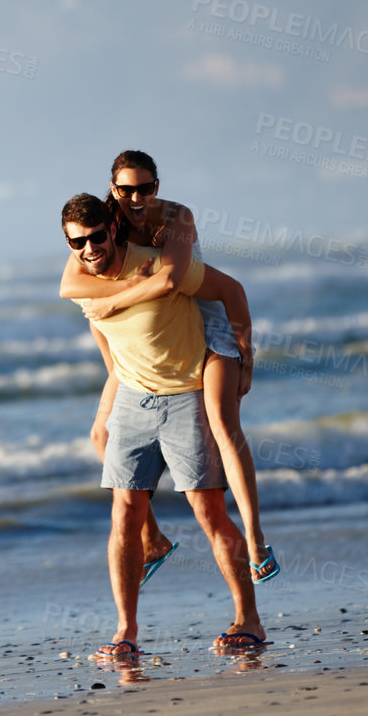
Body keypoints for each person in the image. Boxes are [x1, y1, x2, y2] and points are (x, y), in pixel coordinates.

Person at [59, 191, 267, 656]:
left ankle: (248, 618)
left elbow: (229, 290)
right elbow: (109, 350)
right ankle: (125, 631)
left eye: (95, 237)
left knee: (209, 512)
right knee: (123, 515)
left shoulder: (158, 265)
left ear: (112, 229)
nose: (89, 249)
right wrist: (105, 414)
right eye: (77, 243)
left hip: (187, 394)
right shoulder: (81, 285)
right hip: (134, 400)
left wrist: (243, 359)